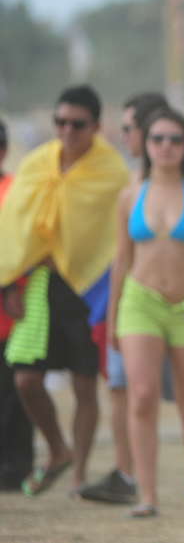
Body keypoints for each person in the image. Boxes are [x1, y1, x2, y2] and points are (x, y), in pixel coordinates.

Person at [0, 85, 130, 496]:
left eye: (77, 124)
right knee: (25, 379)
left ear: (96, 126)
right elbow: (16, 230)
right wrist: (10, 283)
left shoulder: (112, 173)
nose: (67, 131)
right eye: (60, 123)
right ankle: (59, 449)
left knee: (84, 384)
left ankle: (79, 474)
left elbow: (113, 236)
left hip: (91, 288)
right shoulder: (37, 164)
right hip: (40, 284)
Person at [107, 107, 184, 517]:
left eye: (175, 139)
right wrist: (111, 318)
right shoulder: (130, 194)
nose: (166, 147)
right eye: (158, 139)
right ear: (146, 144)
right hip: (140, 303)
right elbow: (121, 260)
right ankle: (148, 494)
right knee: (141, 395)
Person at [78, 92, 169, 505]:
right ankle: (127, 473)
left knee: (170, 396)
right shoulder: (129, 182)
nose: (124, 135)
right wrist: (112, 313)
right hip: (127, 300)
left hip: (167, 302)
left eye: (129, 128)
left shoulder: (175, 185)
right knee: (121, 388)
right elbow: (120, 257)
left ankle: (173, 475)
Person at [0, 119, 35, 491]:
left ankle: (16, 466)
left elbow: (23, 247)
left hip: (9, 308)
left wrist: (15, 287)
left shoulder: (14, 192)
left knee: (11, 391)